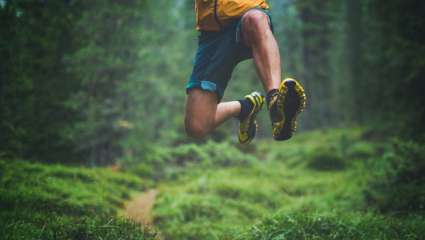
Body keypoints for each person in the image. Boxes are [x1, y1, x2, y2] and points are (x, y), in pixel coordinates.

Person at [185, 0, 307, 144]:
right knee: (196, 126)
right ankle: (245, 108)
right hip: (212, 34)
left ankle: (275, 101)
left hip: (247, 14)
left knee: (255, 19)